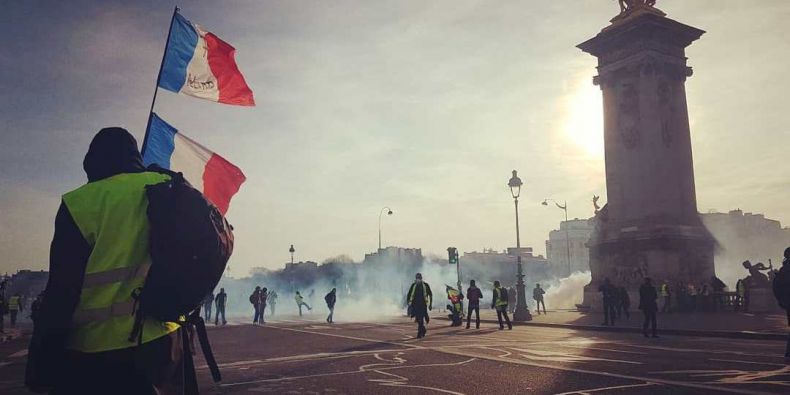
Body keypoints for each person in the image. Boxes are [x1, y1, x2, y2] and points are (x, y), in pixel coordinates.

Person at [25, 128, 189, 393]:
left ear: (92, 162)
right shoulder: (165, 185)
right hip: (165, 340)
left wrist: (42, 364)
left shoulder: (81, 202)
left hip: (96, 350)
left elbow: (62, 291)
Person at [771, 247, 790, 361]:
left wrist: (782, 302)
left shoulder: (784, 270)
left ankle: (788, 353)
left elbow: (776, 287)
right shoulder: (787, 270)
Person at [406, 273, 433, 338]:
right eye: (417, 278)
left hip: (423, 305)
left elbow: (430, 294)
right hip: (415, 306)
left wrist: (430, 304)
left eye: (419, 278)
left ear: (421, 278)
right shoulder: (413, 285)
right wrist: (408, 304)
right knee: (418, 319)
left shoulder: (426, 285)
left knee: (421, 319)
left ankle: (420, 332)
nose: (418, 279)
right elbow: (409, 295)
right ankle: (423, 330)